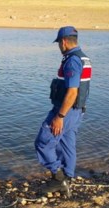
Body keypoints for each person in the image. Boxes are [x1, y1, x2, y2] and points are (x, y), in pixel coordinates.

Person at [34, 26, 92, 197]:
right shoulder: (84, 58)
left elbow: (72, 91)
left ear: (64, 42)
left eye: (59, 43)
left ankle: (58, 179)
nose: (59, 47)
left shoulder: (72, 60)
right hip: (77, 111)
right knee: (67, 144)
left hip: (65, 111)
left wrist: (59, 116)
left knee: (43, 142)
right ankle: (67, 178)